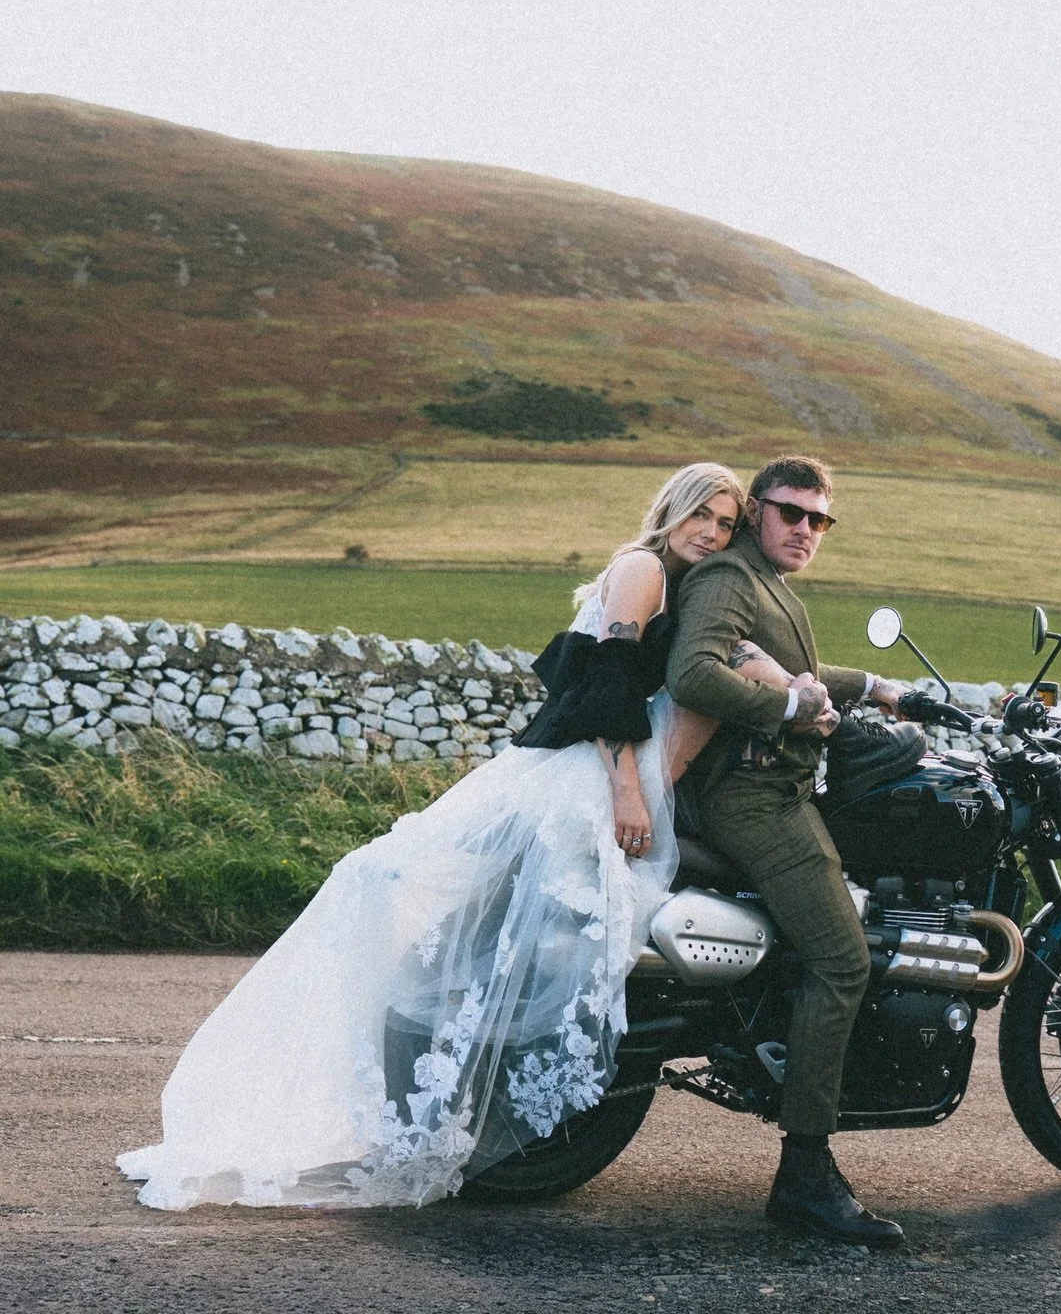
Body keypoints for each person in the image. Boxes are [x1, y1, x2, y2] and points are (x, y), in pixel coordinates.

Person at [118, 461, 790, 1211]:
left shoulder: (667, 579)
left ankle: (452, 1097)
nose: (713, 532)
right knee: (539, 936)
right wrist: (628, 796)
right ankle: (465, 1095)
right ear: (672, 509)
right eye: (703, 514)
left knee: (518, 930)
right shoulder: (642, 571)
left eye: (728, 524)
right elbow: (602, 688)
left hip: (589, 770)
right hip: (588, 778)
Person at [666, 455, 918, 1247]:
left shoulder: (766, 582)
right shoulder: (728, 580)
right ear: (756, 513)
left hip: (776, 788)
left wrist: (879, 686)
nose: (806, 530)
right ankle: (805, 1175)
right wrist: (785, 706)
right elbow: (693, 673)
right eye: (790, 513)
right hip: (754, 796)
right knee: (843, 961)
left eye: (819, 519)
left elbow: (800, 669)